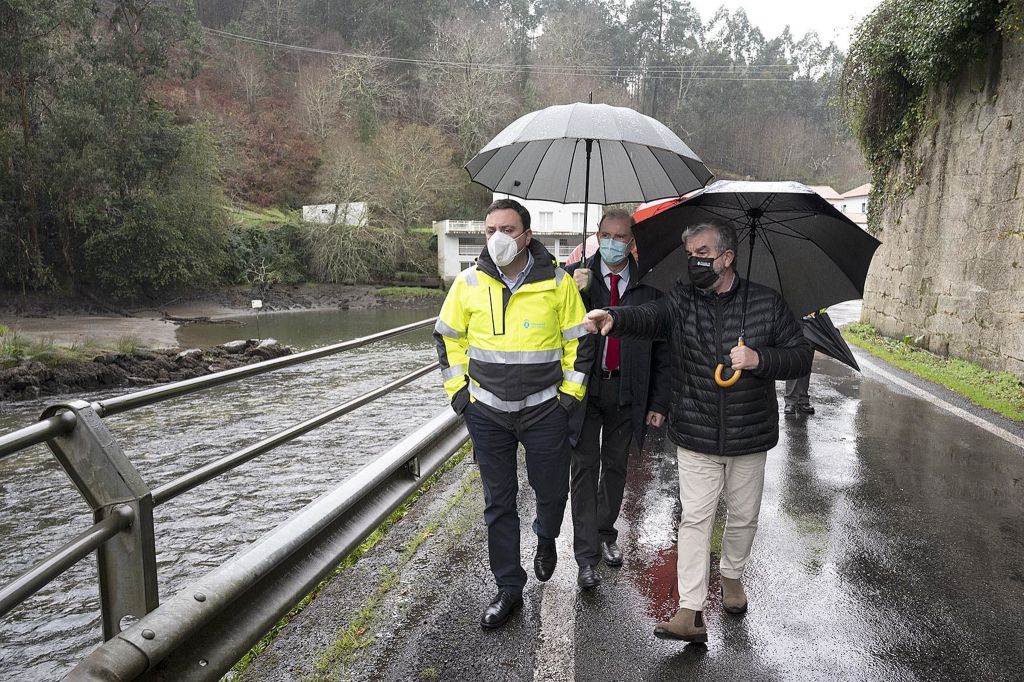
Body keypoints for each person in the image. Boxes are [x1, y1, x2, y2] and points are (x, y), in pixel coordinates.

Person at [582, 221, 812, 643]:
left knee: (743, 517)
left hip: (750, 434)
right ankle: (690, 610)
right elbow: (650, 317)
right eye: (690, 254)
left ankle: (732, 576)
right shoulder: (682, 301)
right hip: (695, 432)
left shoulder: (767, 303)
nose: (695, 261)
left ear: (727, 257)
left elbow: (800, 356)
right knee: (694, 520)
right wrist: (614, 317)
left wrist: (759, 359)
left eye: (703, 252)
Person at [434, 198, 593, 629]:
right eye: (490, 231)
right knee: (498, 503)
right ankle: (508, 587)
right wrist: (461, 397)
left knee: (552, 491)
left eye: (507, 229)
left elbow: (580, 346)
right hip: (488, 413)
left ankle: (546, 537)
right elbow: (447, 340)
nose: (497, 238)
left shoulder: (559, 284)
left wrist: (567, 400)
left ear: (527, 235)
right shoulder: (467, 283)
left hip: (545, 411)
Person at [564, 209, 669, 589]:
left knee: (615, 467)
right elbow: (557, 333)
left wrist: (658, 402)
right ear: (596, 234)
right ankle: (585, 556)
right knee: (584, 468)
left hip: (629, 389)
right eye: (605, 235)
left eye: (620, 236)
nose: (612, 242)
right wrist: (572, 293)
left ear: (631, 241)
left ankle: (606, 532)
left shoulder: (650, 284)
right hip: (586, 389)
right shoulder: (575, 279)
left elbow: (663, 347)